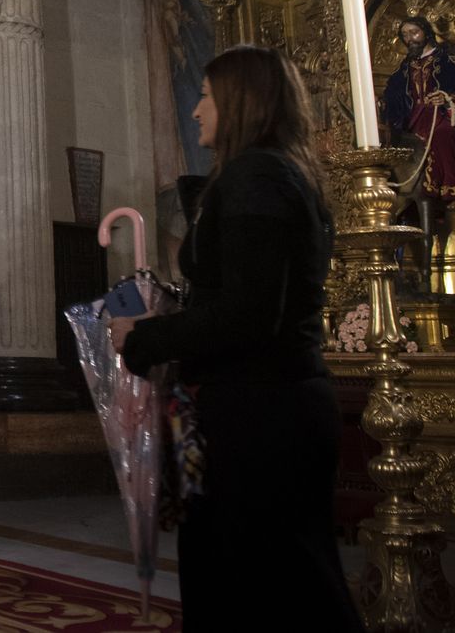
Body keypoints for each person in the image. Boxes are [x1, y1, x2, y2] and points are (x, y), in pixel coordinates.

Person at [108, 45, 363, 631]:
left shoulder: (256, 176)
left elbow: (249, 314)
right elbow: (242, 296)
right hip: (265, 406)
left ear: (241, 101)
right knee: (268, 579)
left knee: (261, 585)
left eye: (204, 94)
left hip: (262, 416)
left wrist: (148, 339)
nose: (195, 110)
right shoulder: (274, 173)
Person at [381, 15, 455, 273]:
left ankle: (454, 188)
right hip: (413, 121)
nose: (410, 38)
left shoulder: (449, 61)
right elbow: (393, 97)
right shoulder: (403, 69)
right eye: (406, 34)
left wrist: (446, 98)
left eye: (414, 32)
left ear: (426, 32)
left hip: (442, 116)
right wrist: (383, 105)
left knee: (442, 134)